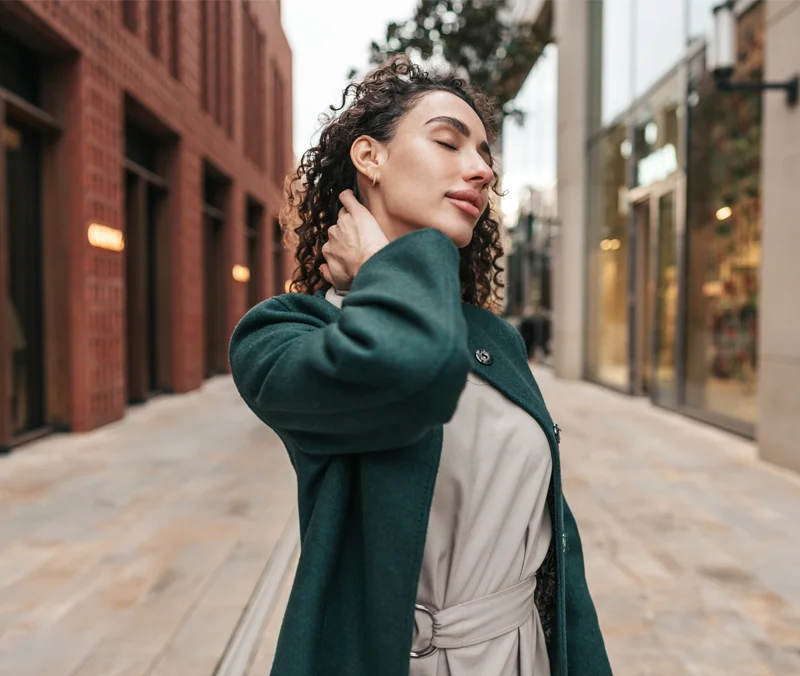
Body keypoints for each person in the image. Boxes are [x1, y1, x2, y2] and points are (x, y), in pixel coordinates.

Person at [229, 57, 611, 676]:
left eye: (484, 153)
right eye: (447, 141)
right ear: (370, 158)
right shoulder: (282, 335)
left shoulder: (494, 338)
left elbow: (552, 553)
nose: (482, 169)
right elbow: (413, 372)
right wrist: (392, 267)